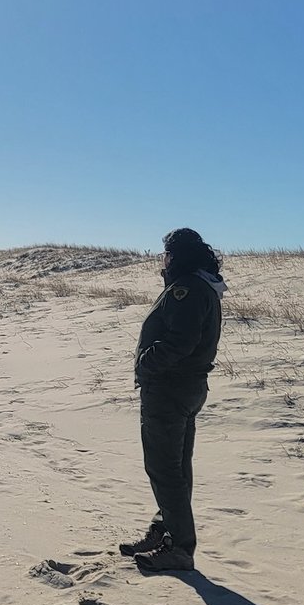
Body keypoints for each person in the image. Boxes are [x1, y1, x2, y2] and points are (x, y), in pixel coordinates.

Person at [120, 228, 227, 572]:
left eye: (166, 254)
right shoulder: (200, 284)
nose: (163, 260)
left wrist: (146, 364)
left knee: (164, 469)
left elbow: (182, 341)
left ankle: (180, 547)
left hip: (170, 388)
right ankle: (165, 530)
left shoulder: (188, 289)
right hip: (185, 387)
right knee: (176, 467)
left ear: (176, 255)